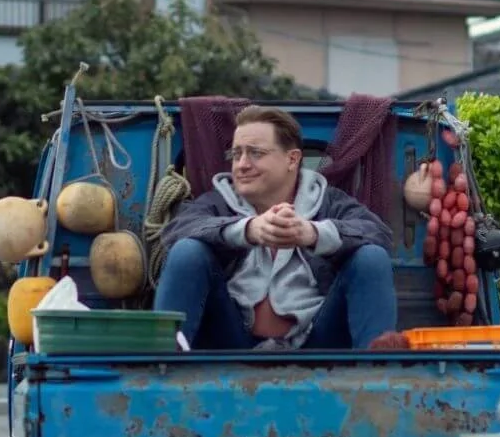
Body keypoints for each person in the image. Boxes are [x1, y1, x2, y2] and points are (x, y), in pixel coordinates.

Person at [155, 105, 398, 350]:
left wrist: (312, 234)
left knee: (372, 257)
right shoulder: (217, 202)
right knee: (186, 251)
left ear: (292, 159)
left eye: (256, 153)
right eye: (236, 154)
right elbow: (175, 231)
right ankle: (164, 361)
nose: (242, 164)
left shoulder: (330, 202)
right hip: (230, 340)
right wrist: (247, 230)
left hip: (318, 343)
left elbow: (379, 235)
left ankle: (377, 366)